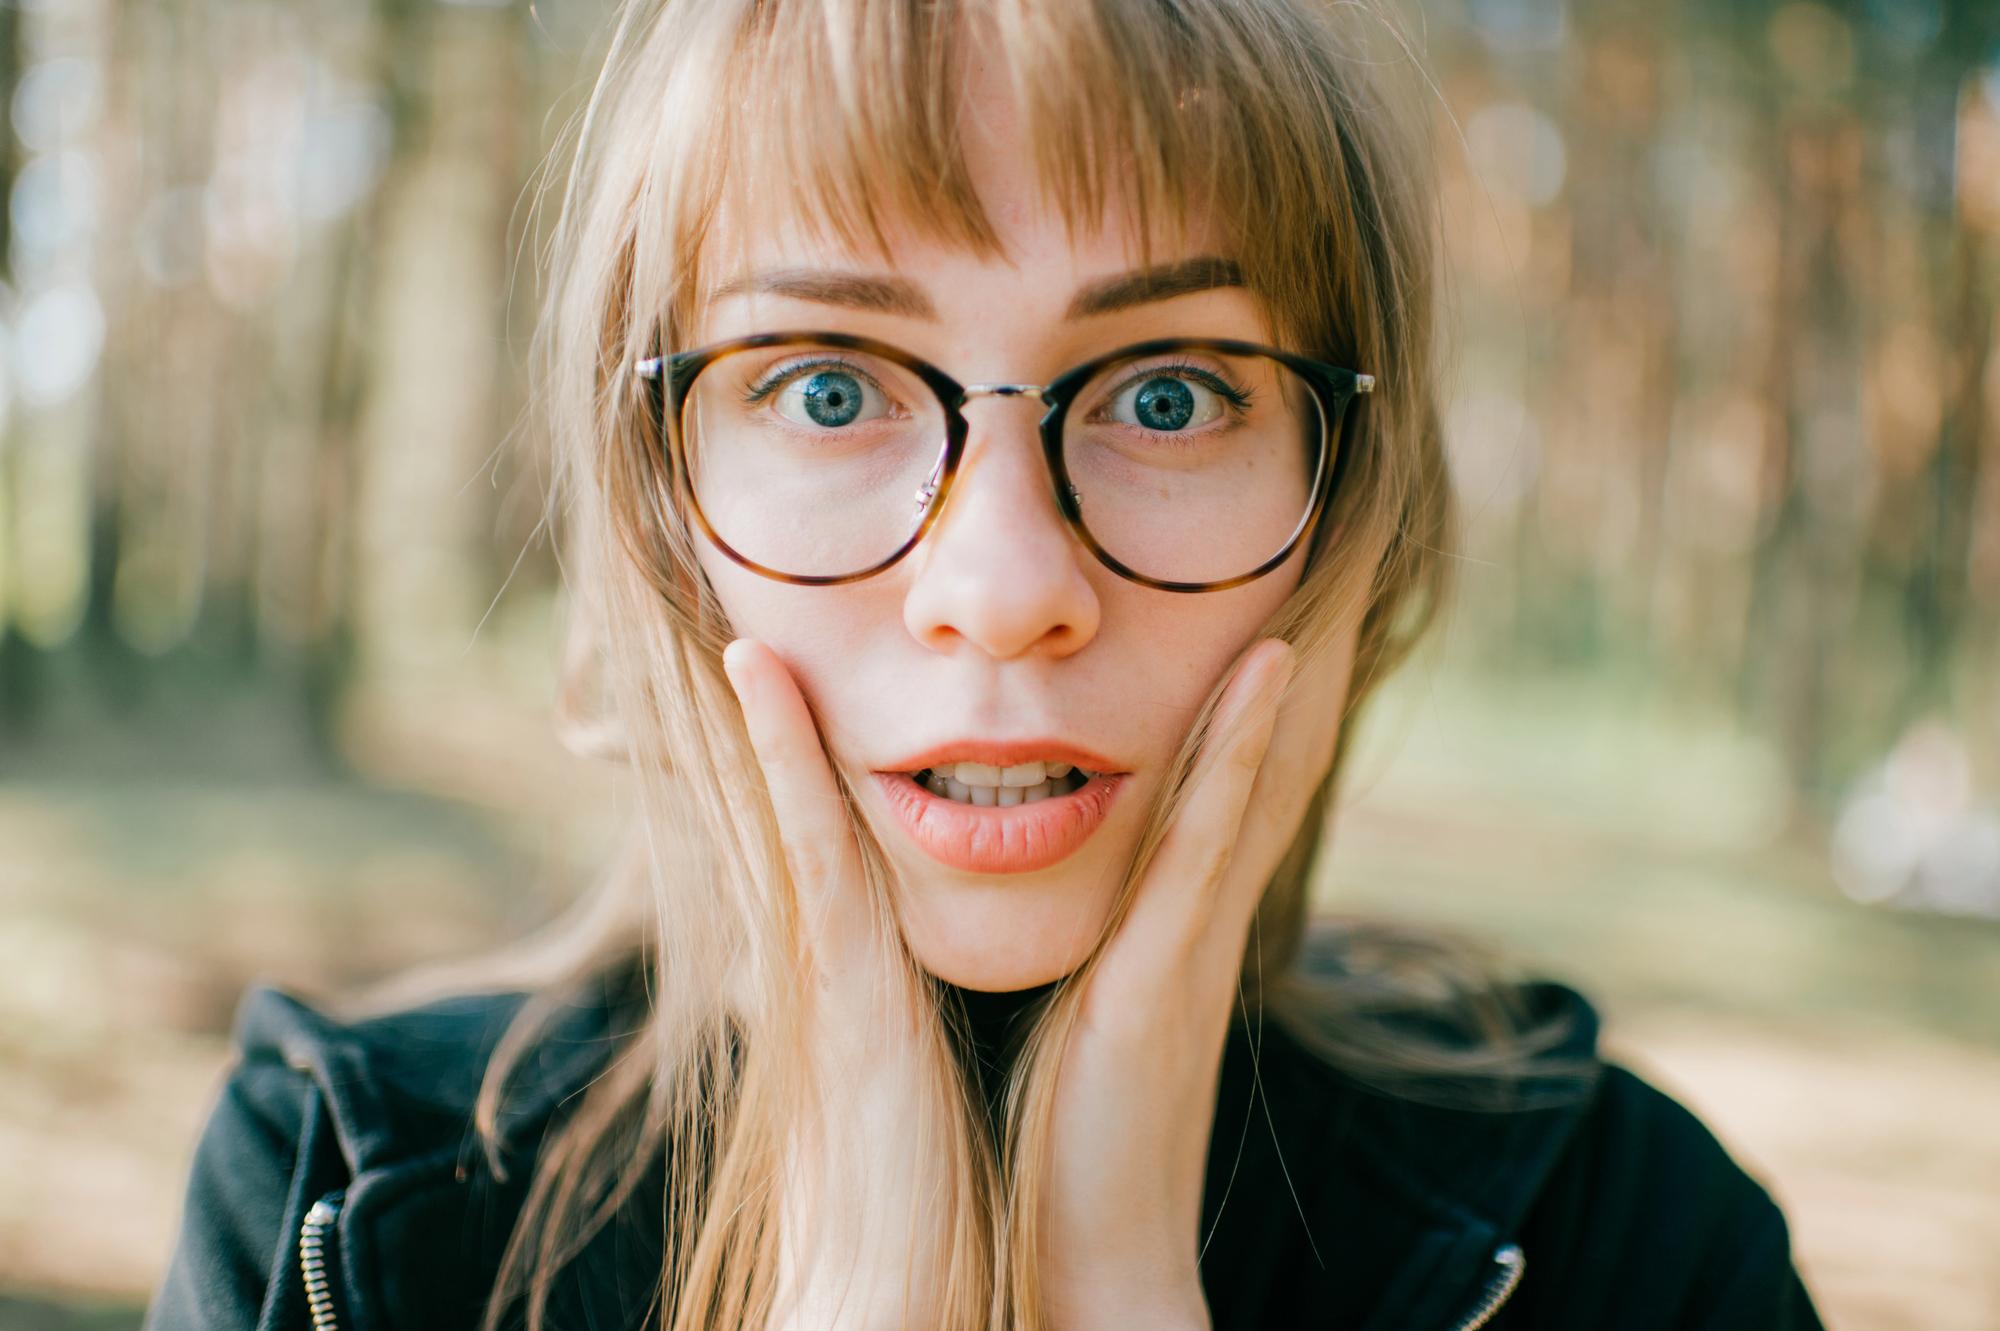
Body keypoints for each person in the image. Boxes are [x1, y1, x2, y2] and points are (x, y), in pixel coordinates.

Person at [145, 0, 1825, 1327]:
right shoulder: (341, 1218)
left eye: (1168, 392)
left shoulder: (1627, 1245)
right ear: (656, 498)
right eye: (826, 387)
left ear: (1348, 502)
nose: (1007, 588)